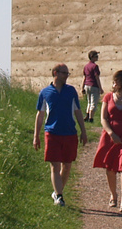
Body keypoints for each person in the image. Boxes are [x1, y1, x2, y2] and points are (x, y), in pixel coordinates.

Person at [33, 63, 87, 207]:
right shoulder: (45, 93)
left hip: (70, 132)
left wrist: (83, 131)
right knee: (54, 166)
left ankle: (57, 192)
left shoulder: (71, 91)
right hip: (52, 133)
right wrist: (36, 136)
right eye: (64, 73)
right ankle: (59, 196)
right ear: (55, 73)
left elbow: (77, 111)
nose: (66, 76)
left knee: (67, 165)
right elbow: (40, 115)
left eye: (67, 73)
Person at [93, 69, 122, 213]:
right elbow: (103, 119)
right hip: (110, 136)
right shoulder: (107, 97)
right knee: (110, 167)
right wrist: (111, 133)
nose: (114, 83)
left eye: (116, 80)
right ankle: (113, 195)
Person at [82, 50, 103, 123]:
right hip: (94, 85)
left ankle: (87, 115)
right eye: (96, 56)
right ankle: (91, 118)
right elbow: (97, 77)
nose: (97, 57)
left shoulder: (86, 66)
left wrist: (82, 87)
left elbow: (85, 77)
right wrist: (100, 88)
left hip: (87, 85)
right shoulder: (95, 66)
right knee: (94, 103)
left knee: (89, 101)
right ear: (92, 57)